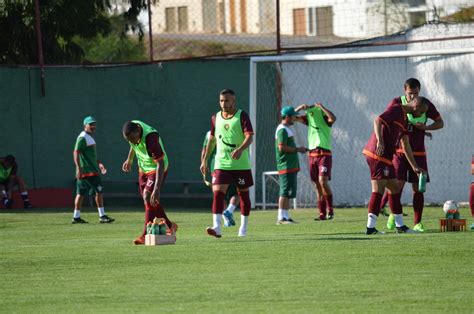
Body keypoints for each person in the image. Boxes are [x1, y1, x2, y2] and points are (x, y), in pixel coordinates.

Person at [382, 78, 444, 232]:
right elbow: (385, 121)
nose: (412, 97)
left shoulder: (424, 104)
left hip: (418, 152)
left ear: (419, 91)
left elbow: (440, 123)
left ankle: (417, 223)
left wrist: (426, 127)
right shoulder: (396, 103)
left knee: (418, 189)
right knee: (397, 186)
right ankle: (393, 215)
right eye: (410, 94)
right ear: (405, 91)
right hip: (400, 153)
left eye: (415, 93)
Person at [362, 96, 429, 234]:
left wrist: (414, 166)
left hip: (387, 157)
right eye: (422, 111)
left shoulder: (405, 118)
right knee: (378, 190)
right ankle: (370, 228)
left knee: (394, 188)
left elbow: (405, 143)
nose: (422, 115)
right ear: (416, 106)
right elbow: (378, 120)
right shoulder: (397, 109)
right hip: (377, 154)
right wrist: (380, 141)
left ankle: (400, 226)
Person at [200, 89, 254, 238]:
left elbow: (250, 137)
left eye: (227, 100)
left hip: (240, 165)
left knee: (243, 195)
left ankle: (243, 229)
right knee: (217, 193)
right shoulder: (215, 118)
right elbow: (211, 140)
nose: (224, 104)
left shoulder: (241, 115)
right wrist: (204, 160)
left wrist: (241, 149)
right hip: (221, 163)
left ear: (234, 101)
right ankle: (217, 227)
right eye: (221, 101)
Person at [122, 120, 178, 245]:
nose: (131, 142)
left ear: (138, 131)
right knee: (150, 200)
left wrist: (157, 189)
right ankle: (170, 226)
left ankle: (145, 235)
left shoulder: (151, 139)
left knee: (148, 196)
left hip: (156, 168)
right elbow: (133, 145)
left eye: (132, 138)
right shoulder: (134, 129)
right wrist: (129, 159)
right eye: (128, 140)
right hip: (143, 168)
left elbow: (160, 164)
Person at [294, 102, 336, 221]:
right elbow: (292, 117)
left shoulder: (326, 120)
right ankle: (322, 213)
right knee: (317, 185)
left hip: (324, 154)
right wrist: (300, 108)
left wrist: (322, 107)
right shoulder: (309, 119)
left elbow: (333, 118)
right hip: (312, 154)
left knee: (323, 181)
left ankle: (330, 208)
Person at [72, 116, 114, 224]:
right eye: (90, 124)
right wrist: (78, 168)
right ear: (85, 125)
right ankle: (102, 216)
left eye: (94, 124)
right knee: (98, 192)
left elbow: (91, 156)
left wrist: (99, 164)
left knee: (81, 194)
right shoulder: (82, 137)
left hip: (91, 171)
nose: (93, 126)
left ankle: (76, 217)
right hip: (88, 172)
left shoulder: (88, 137)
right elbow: (76, 152)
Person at [274, 106, 307, 224]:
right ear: (287, 117)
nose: (295, 118)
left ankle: (286, 216)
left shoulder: (286, 128)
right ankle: (280, 217)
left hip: (291, 165)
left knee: (288, 192)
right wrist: (298, 149)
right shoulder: (282, 129)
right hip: (285, 165)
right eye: (293, 116)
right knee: (284, 191)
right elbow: (281, 147)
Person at [201, 130, 239, 227]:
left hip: (216, 168)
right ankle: (229, 211)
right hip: (231, 166)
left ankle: (225, 219)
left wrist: (203, 163)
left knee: (219, 195)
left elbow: (204, 151)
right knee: (237, 193)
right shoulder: (230, 130)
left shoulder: (209, 133)